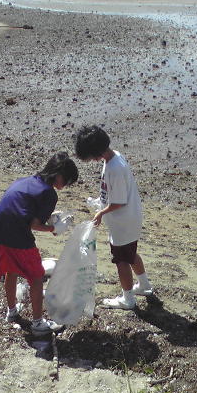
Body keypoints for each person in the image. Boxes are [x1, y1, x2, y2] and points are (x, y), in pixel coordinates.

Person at [0, 152, 78, 334]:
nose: (65, 186)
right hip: (17, 234)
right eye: (66, 181)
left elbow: (24, 208)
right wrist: (54, 229)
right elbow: (34, 224)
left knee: (11, 271)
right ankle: (38, 323)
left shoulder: (25, 180)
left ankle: (11, 312)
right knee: (36, 277)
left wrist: (49, 219)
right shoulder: (49, 193)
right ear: (59, 175)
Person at [74, 125, 153, 310]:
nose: (91, 160)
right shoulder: (113, 157)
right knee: (130, 253)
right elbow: (114, 194)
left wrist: (101, 212)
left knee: (121, 260)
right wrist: (99, 202)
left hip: (122, 222)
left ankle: (128, 299)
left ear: (95, 152)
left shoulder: (115, 169)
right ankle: (144, 285)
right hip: (128, 219)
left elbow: (119, 202)